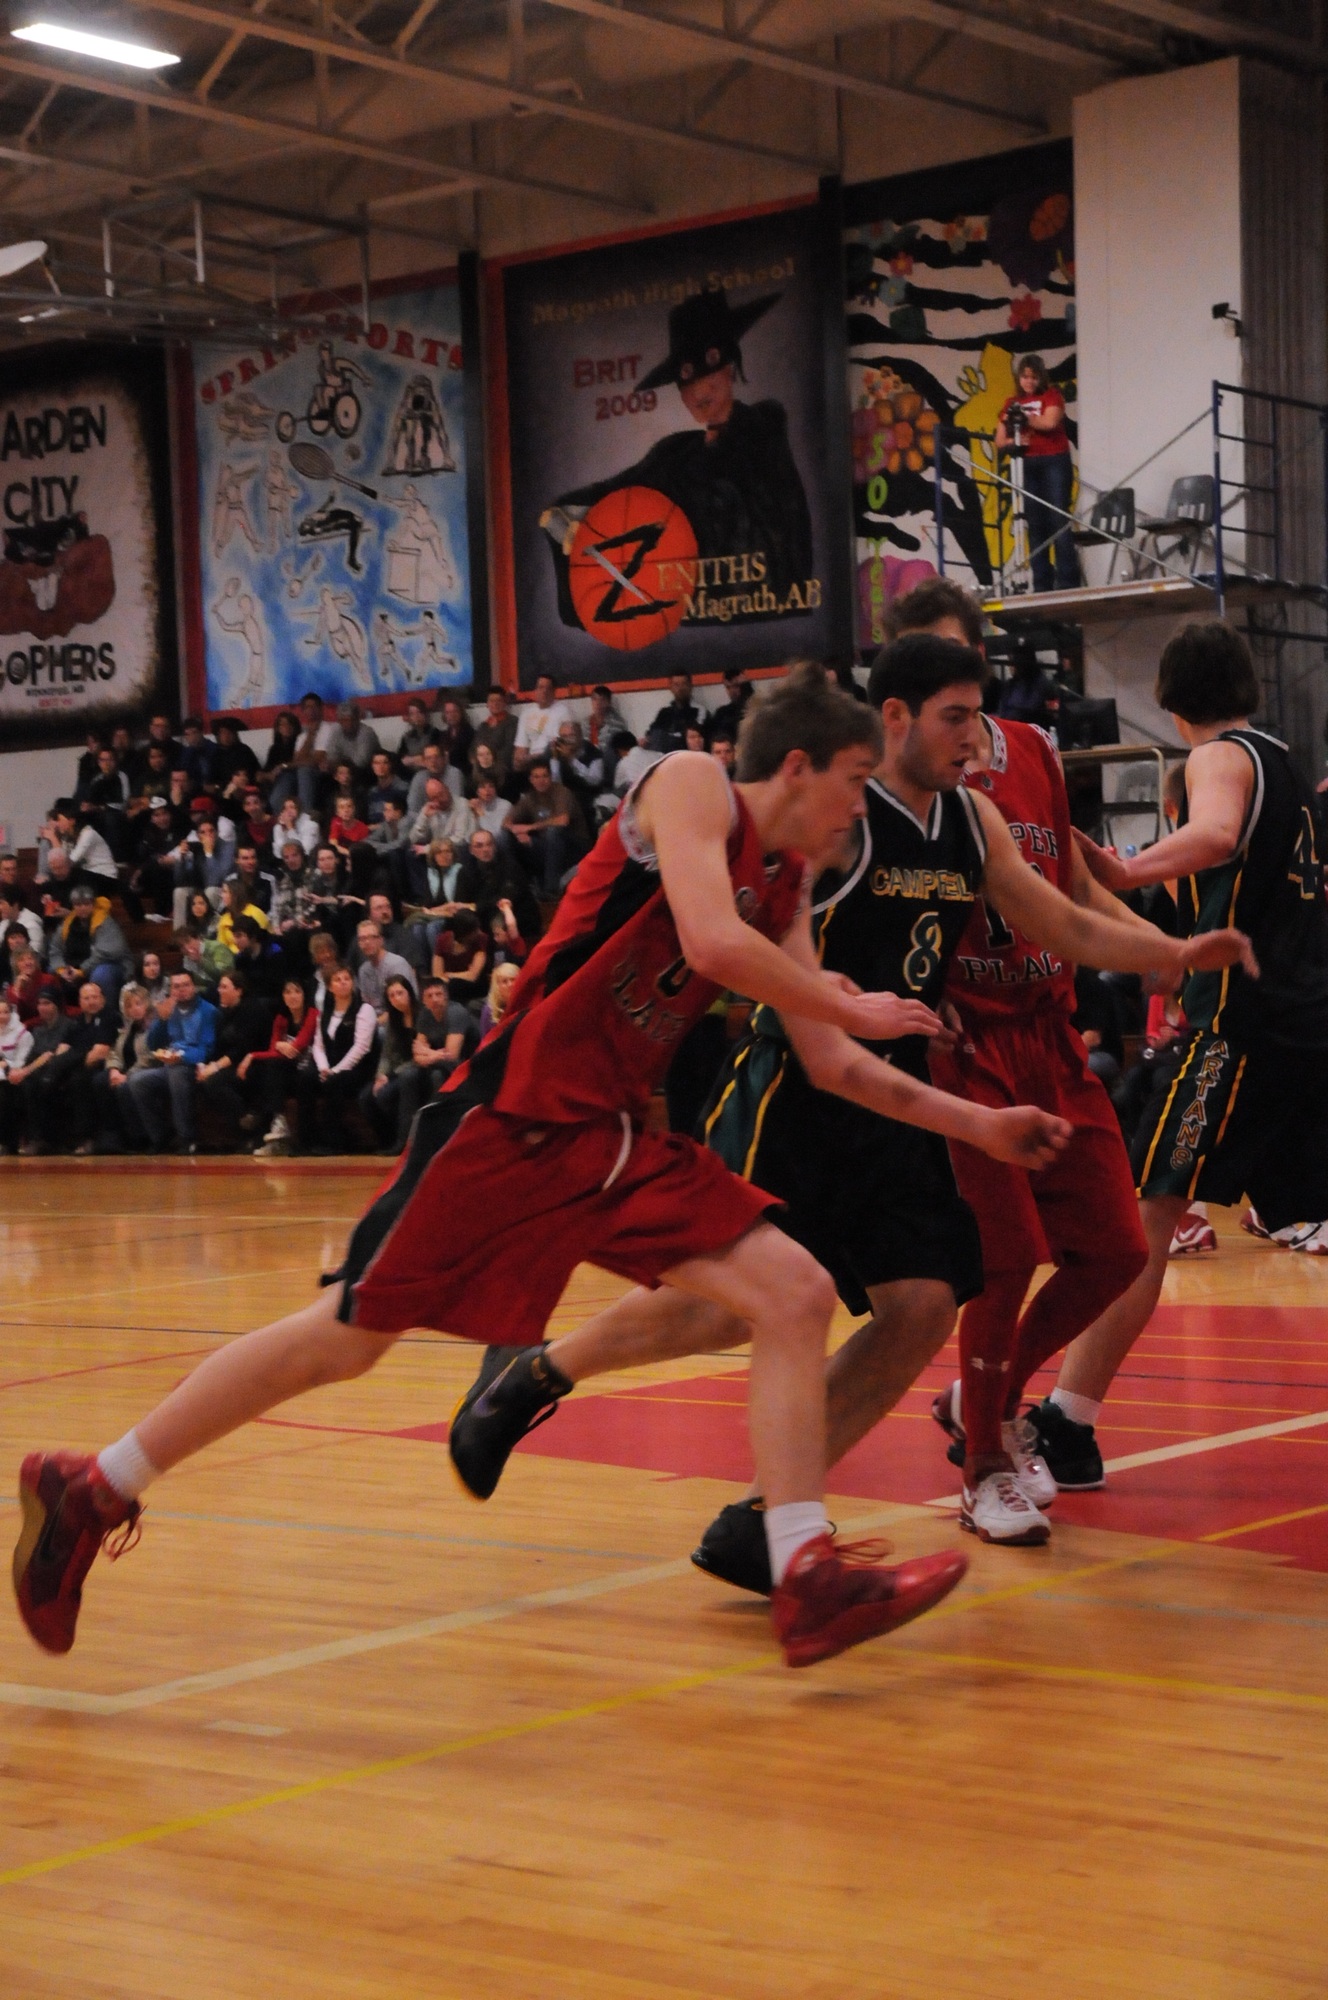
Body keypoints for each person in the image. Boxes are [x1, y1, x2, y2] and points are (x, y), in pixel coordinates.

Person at [11, 666, 1076, 1670]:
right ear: (797, 766)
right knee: (348, 1340)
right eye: (851, 780)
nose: (858, 808)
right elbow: (713, 943)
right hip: (511, 1118)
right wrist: (844, 1000)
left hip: (609, 1137)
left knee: (792, 1290)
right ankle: (95, 1482)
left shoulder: (787, 885)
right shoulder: (691, 784)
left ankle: (803, 1572)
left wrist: (977, 1124)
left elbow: (832, 1060)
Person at [456, 638, 1250, 1590]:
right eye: (956, 718)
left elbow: (1063, 922)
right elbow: (741, 940)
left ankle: (766, 1520)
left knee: (922, 1306)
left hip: (900, 1093)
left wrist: (1174, 951)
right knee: (719, 1315)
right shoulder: (838, 813)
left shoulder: (972, 820)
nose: (976, 739)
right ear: (896, 718)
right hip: (796, 1089)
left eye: (980, 717)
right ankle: (540, 1372)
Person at [873, 582, 1156, 1537]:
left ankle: (982, 1399)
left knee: (1117, 1249)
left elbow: (1068, 886)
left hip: (1050, 1030)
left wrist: (1158, 949)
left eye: (959, 663)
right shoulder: (894, 784)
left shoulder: (1032, 749)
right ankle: (985, 1461)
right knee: (1002, 1262)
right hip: (969, 1044)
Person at [1043, 621, 1328, 1485]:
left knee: (1145, 1220)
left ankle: (1067, 1423)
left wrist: (1120, 869)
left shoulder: (1219, 758)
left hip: (1241, 1027)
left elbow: (1213, 834)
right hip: (1305, 1027)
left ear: (1169, 701)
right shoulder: (1290, 769)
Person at [544, 288, 813, 633]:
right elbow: (617, 490)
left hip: (756, 610)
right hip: (685, 614)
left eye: (710, 365)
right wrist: (565, 514)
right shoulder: (674, 453)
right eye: (687, 376)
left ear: (730, 367)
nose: (700, 389)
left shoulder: (762, 428)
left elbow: (773, 528)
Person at [995, 354, 1080, 595]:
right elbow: (1000, 439)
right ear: (1019, 379)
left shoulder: (1052, 395)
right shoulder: (1011, 402)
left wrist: (1024, 418)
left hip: (1054, 461)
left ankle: (1067, 582)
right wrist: (1014, 441)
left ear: (1041, 377)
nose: (1029, 381)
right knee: (1035, 524)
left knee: (1058, 518)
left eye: (1033, 377)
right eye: (1025, 377)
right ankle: (1042, 584)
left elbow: (1050, 422)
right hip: (1027, 463)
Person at [126, 968, 219, 1155]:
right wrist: (161, 1020)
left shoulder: (208, 1011)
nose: (181, 990)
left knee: (177, 1073)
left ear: (193, 987)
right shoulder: (168, 1009)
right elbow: (153, 1045)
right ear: (171, 990)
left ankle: (187, 1138)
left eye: (186, 985)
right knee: (137, 1081)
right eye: (177, 986)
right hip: (169, 1064)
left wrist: (182, 1057)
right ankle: (160, 1136)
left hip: (195, 1066)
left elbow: (208, 1050)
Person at [294, 963, 377, 1152]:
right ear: (330, 987)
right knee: (305, 1078)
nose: (343, 983)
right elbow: (318, 1045)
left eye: (347, 979)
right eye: (338, 980)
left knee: (334, 1083)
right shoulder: (325, 1012)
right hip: (329, 1066)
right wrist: (324, 1068)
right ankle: (306, 1141)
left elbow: (361, 1047)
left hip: (356, 1069)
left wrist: (335, 1070)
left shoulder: (364, 1010)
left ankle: (333, 1141)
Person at [245, 977, 317, 1158]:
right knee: (266, 1070)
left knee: (271, 1072)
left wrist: (254, 1054)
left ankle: (260, 1116)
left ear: (304, 995)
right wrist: (255, 1055)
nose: (293, 996)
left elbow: (297, 1047)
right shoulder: (281, 1019)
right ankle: (277, 1124)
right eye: (288, 992)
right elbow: (273, 1052)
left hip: (309, 1070)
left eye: (297, 991)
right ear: (283, 997)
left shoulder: (313, 1014)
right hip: (287, 1071)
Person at [87, 982, 153, 1153]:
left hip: (144, 1071)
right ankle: (113, 1134)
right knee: (100, 1080)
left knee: (124, 1087)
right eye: (129, 1006)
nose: (134, 1009)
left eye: (138, 1004)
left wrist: (126, 1075)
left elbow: (150, 1057)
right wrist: (114, 1069)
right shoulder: (128, 1028)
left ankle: (138, 1137)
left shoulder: (153, 1027)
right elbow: (114, 1052)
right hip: (124, 1070)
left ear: (147, 1004)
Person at [508, 758, 587, 899]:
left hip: (573, 845)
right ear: (531, 780)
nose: (541, 781)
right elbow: (506, 821)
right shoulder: (529, 797)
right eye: (536, 777)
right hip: (546, 845)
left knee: (553, 832)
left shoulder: (561, 792)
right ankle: (513, 888)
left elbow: (563, 820)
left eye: (545, 776)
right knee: (505, 837)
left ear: (551, 777)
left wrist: (529, 828)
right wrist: (516, 830)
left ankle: (551, 890)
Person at [47, 883, 134, 1009]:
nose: (82, 908)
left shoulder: (105, 922)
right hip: (76, 967)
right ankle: (65, 1014)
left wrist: (82, 970)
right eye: (78, 905)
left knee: (101, 973)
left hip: (111, 966)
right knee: (51, 972)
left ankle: (106, 1013)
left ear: (93, 904)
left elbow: (107, 953)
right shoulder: (67, 924)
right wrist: (61, 969)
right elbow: (55, 949)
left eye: (86, 904)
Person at [360, 975, 421, 1151]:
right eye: (392, 995)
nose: (396, 998)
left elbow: (418, 1057)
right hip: (395, 1071)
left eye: (400, 993)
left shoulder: (422, 1016)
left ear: (409, 992)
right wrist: (381, 1075)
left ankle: (402, 1140)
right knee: (365, 1097)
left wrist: (390, 1075)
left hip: (416, 1068)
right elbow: (386, 1054)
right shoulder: (393, 1020)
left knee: (385, 1095)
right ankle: (386, 1140)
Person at [355, 919, 418, 1011]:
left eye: (372, 937)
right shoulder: (363, 970)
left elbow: (404, 1004)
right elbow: (367, 1005)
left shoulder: (397, 964)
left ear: (381, 940)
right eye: (363, 939)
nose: (367, 942)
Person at [512, 674, 571, 769]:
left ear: (554, 691)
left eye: (548, 688)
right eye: (541, 687)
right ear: (535, 690)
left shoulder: (564, 711)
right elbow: (521, 747)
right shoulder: (526, 714)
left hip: (553, 760)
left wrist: (533, 758)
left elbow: (563, 746)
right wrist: (518, 761)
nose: (544, 691)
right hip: (531, 764)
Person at [0, 995, 34, 1153]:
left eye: (5, 1012)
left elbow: (22, 1061)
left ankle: (7, 1141)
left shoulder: (22, 1034)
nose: (2, 1016)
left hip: (14, 1077)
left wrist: (6, 1065)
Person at [647, 674, 705, 755]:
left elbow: (695, 735)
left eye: (684, 684)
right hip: (665, 753)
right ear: (670, 688)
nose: (681, 688)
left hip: (687, 753)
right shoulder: (664, 712)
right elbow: (653, 733)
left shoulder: (699, 710)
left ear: (690, 686)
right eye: (676, 685)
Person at [708, 666, 752, 748]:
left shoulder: (753, 709)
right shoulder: (721, 713)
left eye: (736, 686)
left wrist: (746, 687)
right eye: (728, 687)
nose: (732, 691)